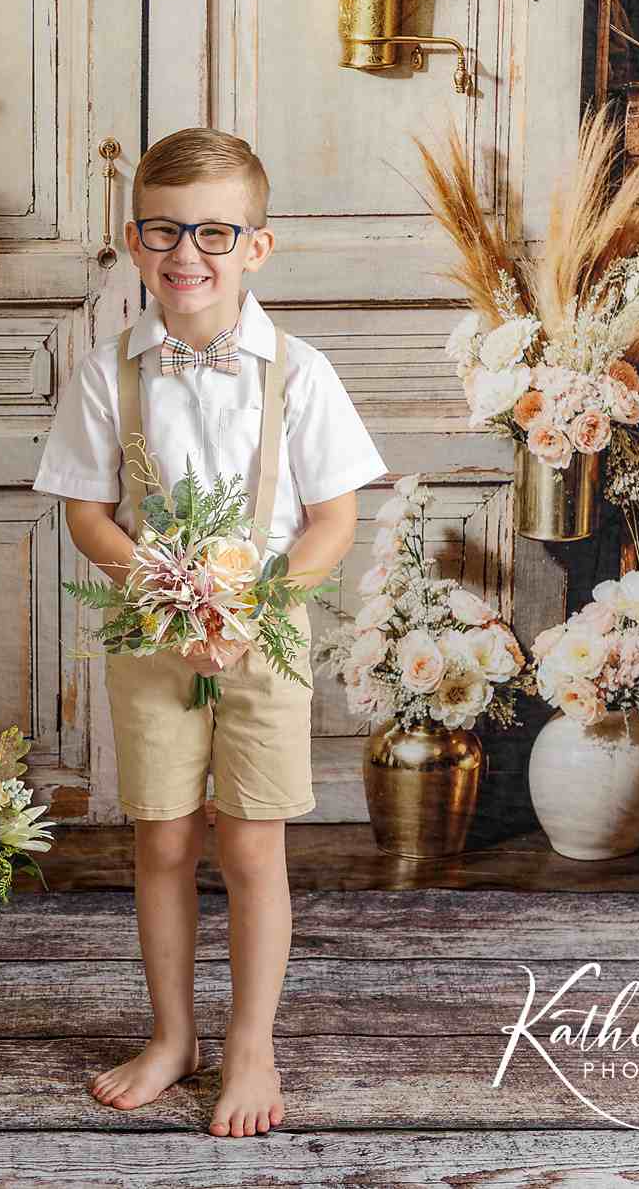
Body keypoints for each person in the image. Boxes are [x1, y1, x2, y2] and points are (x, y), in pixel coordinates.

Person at [32, 127, 387, 1137]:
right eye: (162, 231)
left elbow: (332, 521)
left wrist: (253, 607)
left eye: (213, 233)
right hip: (150, 637)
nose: (186, 254)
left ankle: (250, 1042)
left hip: (262, 642)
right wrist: (158, 582)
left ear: (255, 248)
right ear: (135, 241)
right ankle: (172, 1032)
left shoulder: (300, 372)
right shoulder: (110, 372)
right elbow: (87, 509)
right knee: (161, 837)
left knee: (252, 846)